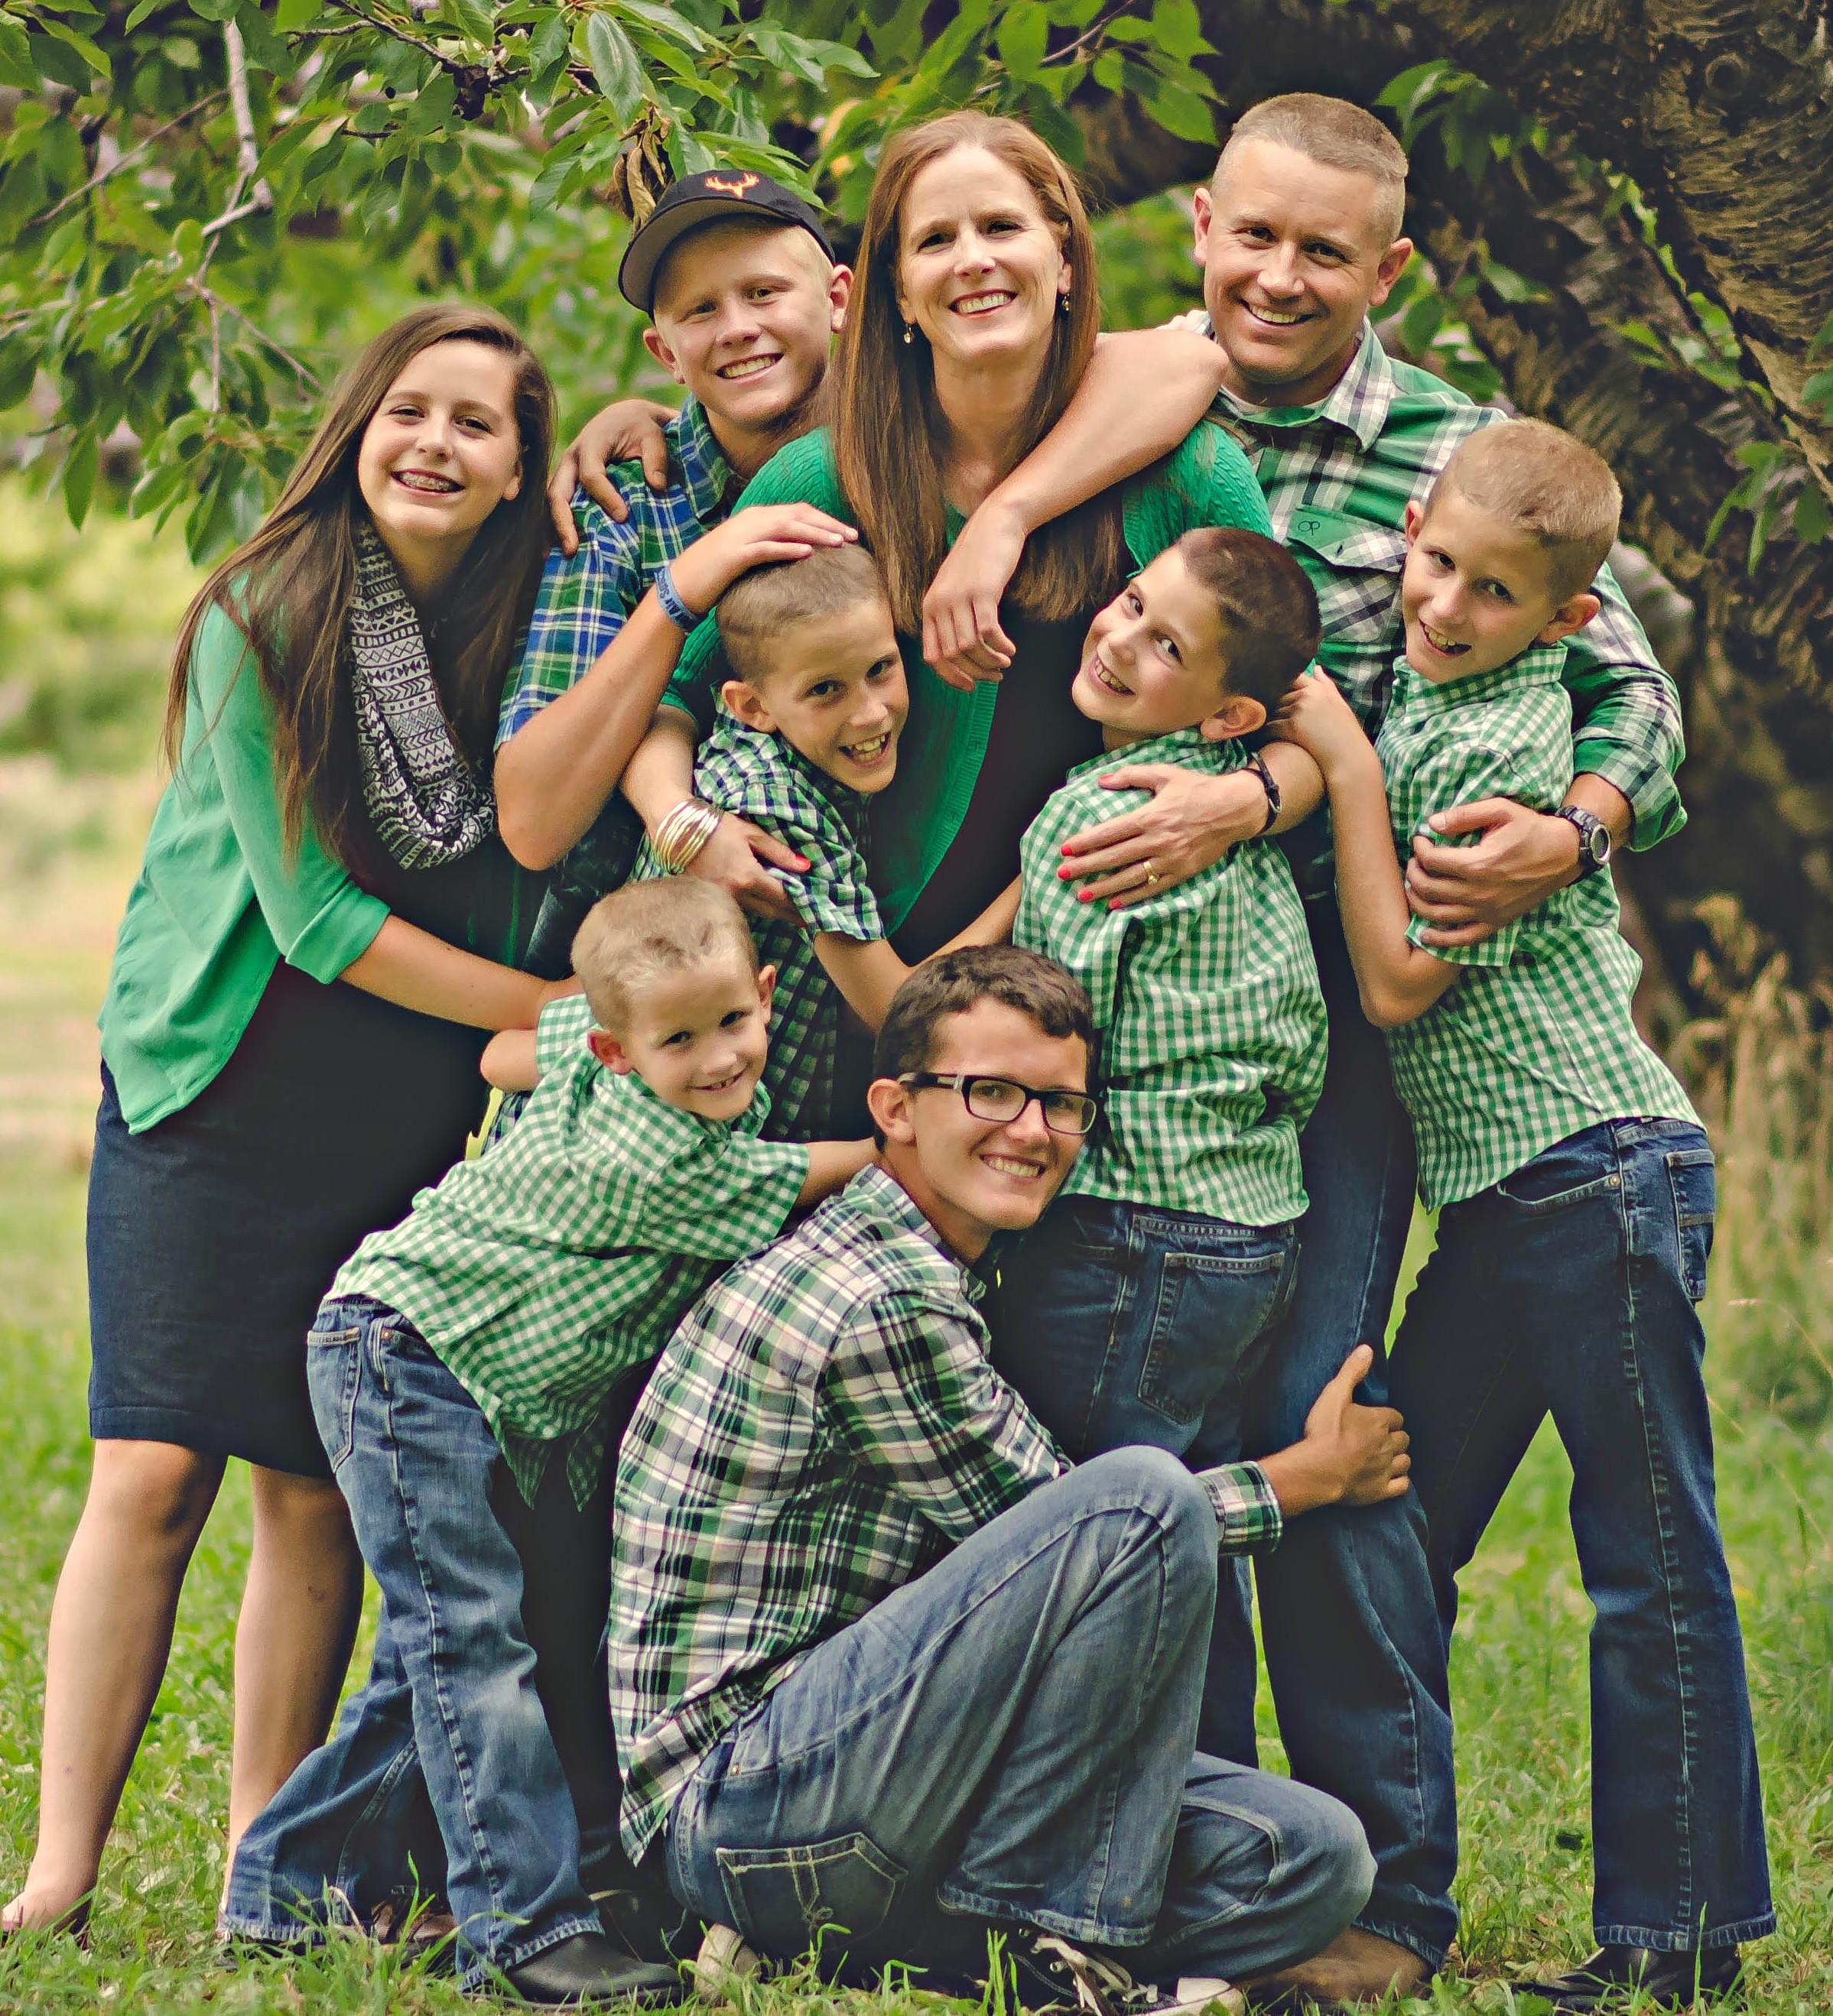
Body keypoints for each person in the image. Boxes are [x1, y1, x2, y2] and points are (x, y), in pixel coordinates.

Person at [913, 94, 1693, 2003]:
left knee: (1327, 1429)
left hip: (1340, 1035)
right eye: (1249, 236)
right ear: (1199, 225)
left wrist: (1571, 817)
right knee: (1113, 1446)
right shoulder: (1120, 392)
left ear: (1387, 271)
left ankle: (1380, 1899)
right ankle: (1192, 1857)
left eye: (1321, 252)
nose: (1275, 277)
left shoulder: (1445, 457)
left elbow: (1631, 677)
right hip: (1099, 1013)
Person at [5, 306, 572, 1941]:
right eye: (410, 409)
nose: (436, 443)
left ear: (521, 466)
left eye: (480, 423)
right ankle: (63, 1869)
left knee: (314, 1480)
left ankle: (273, 1855)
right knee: (153, 1466)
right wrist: (567, 1021)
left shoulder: (523, 626)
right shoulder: (269, 607)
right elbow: (315, 917)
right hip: (220, 1075)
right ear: (357, 426)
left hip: (393, 1095)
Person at [610, 947, 1412, 2003]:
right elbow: (1106, 1533)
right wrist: (1305, 1479)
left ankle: (895, 1949)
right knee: (1143, 1491)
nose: (1031, 1131)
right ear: (895, 1107)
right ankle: (1065, 1963)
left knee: (1315, 1854)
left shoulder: (940, 1267)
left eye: (1061, 1104)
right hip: (749, 1804)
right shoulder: (878, 1292)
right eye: (990, 1091)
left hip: (898, 1780)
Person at [1278, 420, 1770, 2014]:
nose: (1442, 606)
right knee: (1384, 1528)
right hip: (1510, 1197)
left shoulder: (1487, 748)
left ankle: (1674, 1934)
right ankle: (1381, 1890)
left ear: (1563, 617)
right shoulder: (1426, 680)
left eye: (1492, 593)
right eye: (1433, 566)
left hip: (1596, 1169)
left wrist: (1343, 767)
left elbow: (1396, 975)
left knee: (1645, 1553)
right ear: (1407, 531)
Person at [221, 879, 874, 2003]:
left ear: (765, 994)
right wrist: (910, 1129)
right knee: (471, 1643)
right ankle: (521, 1931)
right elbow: (823, 1172)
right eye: (680, 1039)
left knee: (431, 1655)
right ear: (625, 1056)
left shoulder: (591, 1044)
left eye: (732, 1021)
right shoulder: (673, 1164)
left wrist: (590, 1045)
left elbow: (501, 1059)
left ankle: (282, 1890)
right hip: (408, 1356)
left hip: (431, 1361)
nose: (720, 1058)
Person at [564, 111, 1318, 974]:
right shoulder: (823, 478)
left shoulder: (1190, 479)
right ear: (898, 290)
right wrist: (683, 825)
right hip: (837, 984)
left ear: (1063, 260)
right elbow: (676, 701)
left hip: (1097, 996)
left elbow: (1305, 731)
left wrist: (1235, 804)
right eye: (935, 240)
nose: (973, 260)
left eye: (1002, 227)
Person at [994, 531, 1327, 1613]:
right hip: (1253, 1231)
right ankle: (1215, 1774)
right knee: (1193, 1536)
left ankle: (1145, 1784)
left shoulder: (1098, 817)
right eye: (1132, 603)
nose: (1122, 637)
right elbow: (1303, 1044)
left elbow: (1051, 1035)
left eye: (1167, 642)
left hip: (1127, 1229)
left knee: (1105, 1546)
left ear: (1231, 713)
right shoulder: (1248, 826)